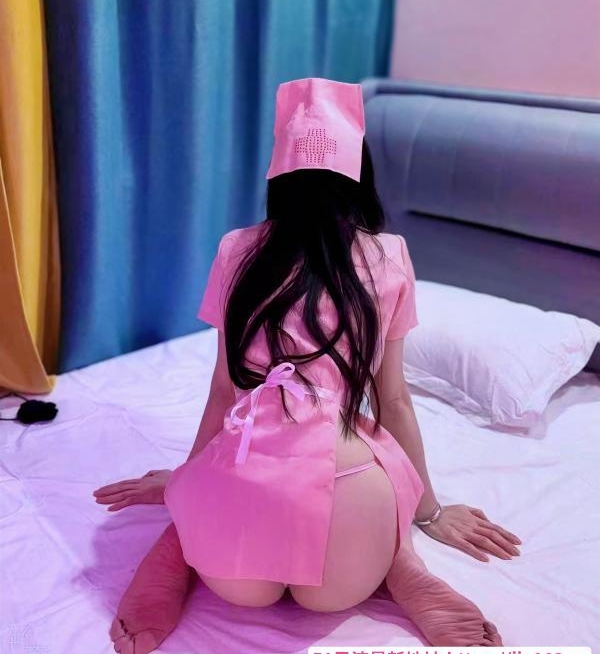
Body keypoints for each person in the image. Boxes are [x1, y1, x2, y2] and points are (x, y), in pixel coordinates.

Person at [94, 78, 520, 654]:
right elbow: (392, 400)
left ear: (278, 174)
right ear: (359, 173)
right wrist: (430, 510)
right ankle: (400, 564)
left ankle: (176, 551)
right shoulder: (390, 254)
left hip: (238, 555)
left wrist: (186, 480)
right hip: (346, 539)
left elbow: (224, 391)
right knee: (381, 479)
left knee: (201, 500)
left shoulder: (237, 250)